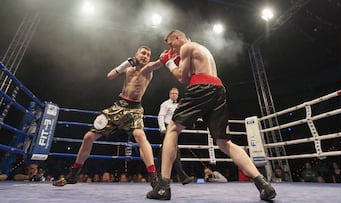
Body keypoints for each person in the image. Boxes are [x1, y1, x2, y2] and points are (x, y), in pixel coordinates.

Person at [146, 29, 276, 201]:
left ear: (178, 38)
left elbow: (182, 78)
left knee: (172, 129)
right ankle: (263, 184)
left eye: (171, 44)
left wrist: (169, 62)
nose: (173, 48)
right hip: (219, 89)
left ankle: (163, 186)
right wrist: (172, 59)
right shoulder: (201, 49)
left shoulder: (186, 47)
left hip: (201, 87)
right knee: (224, 143)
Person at [53, 45, 163, 187]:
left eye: (148, 55)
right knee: (88, 137)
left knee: (140, 136)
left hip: (134, 110)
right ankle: (74, 174)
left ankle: (153, 176)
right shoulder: (129, 68)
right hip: (117, 107)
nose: (146, 56)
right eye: (143, 53)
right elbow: (110, 76)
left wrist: (169, 55)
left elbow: (158, 63)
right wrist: (126, 63)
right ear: (136, 54)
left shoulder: (148, 70)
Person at [156, 87, 193, 185]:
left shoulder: (178, 105)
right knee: (175, 151)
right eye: (172, 93)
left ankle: (155, 175)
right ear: (169, 94)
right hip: (167, 128)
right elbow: (161, 116)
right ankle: (182, 176)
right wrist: (163, 129)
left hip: (174, 129)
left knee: (163, 153)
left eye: (176, 93)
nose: (174, 95)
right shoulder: (165, 104)